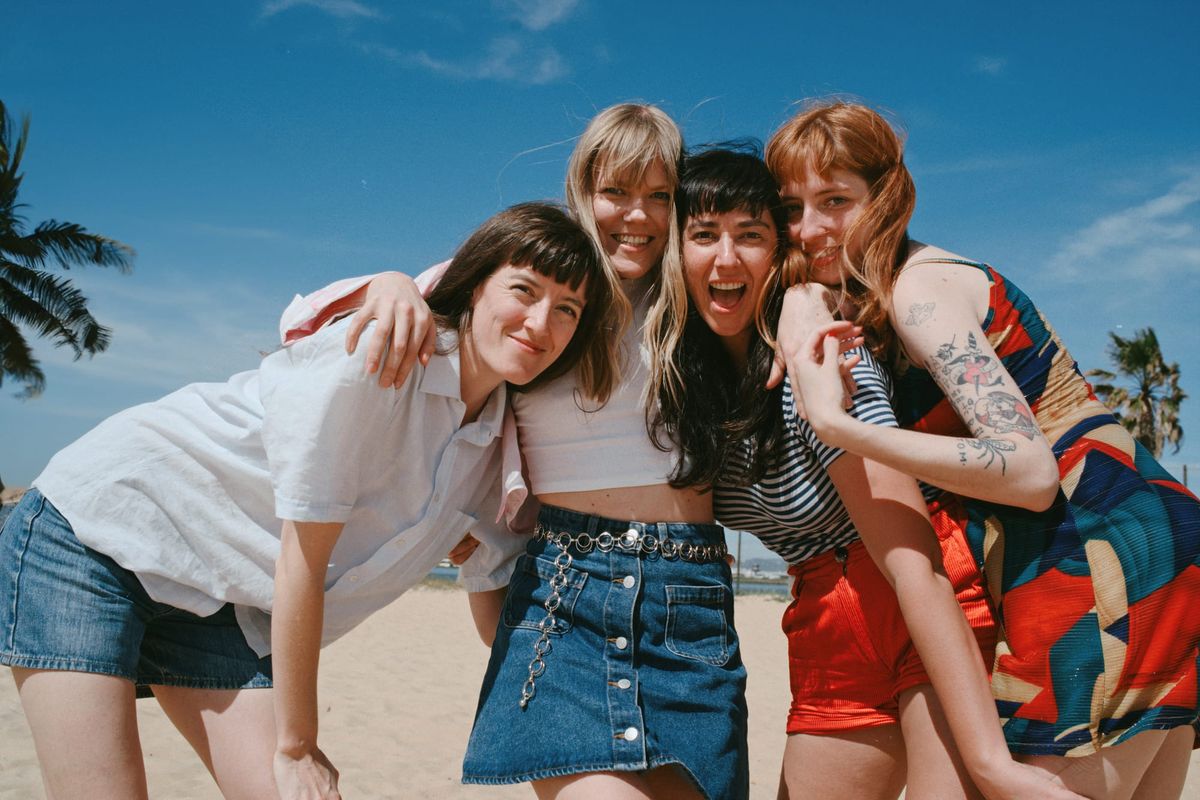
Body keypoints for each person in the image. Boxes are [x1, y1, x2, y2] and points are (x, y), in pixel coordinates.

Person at [0, 202, 615, 800]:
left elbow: (497, 618)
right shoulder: (381, 356)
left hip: (222, 600)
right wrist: (299, 745)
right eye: (524, 290)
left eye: (567, 309)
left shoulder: (501, 457)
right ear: (475, 286)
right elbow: (302, 560)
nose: (541, 323)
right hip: (95, 533)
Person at [283, 104, 750, 799]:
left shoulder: (697, 298)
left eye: (659, 196)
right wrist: (386, 282)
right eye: (616, 191)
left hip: (690, 601)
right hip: (568, 587)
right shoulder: (535, 279)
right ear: (581, 191)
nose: (639, 216)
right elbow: (302, 325)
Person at [767, 100, 1200, 800]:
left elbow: (1028, 471)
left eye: (835, 200)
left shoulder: (917, 294)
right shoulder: (907, 282)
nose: (810, 227)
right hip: (1154, 538)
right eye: (792, 207)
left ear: (886, 197)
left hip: (1091, 553)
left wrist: (838, 425)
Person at [651, 146, 1088, 800]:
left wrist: (992, 763)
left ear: (779, 251)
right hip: (823, 622)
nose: (726, 258)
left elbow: (914, 564)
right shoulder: (684, 388)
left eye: (751, 236)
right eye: (704, 235)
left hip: (923, 596)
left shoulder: (819, 356)